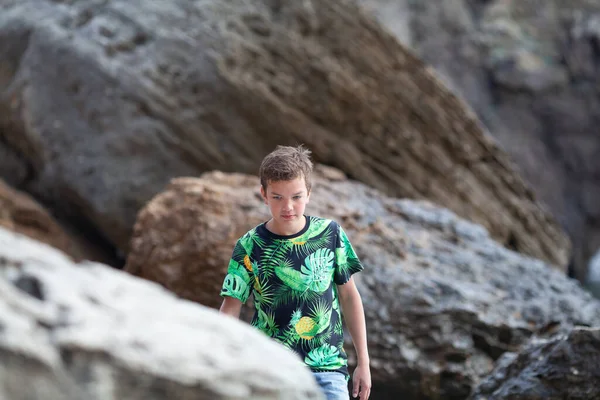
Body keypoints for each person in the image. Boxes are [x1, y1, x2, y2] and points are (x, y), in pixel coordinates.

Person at [219, 145, 371, 400]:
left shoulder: (331, 234)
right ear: (264, 195)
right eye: (277, 197)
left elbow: (349, 297)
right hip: (270, 370)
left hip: (328, 369)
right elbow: (231, 307)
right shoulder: (249, 245)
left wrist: (364, 364)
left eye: (296, 197)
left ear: (309, 194)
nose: (287, 206)